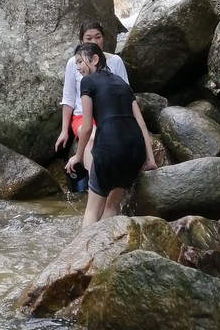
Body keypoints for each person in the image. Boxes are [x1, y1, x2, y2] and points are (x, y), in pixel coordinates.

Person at [63, 43, 156, 227]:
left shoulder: (87, 82)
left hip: (109, 150)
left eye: (80, 61)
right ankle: (106, 252)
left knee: (92, 210)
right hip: (134, 152)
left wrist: (78, 156)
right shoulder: (122, 84)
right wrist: (150, 159)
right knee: (112, 207)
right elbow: (142, 123)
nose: (78, 67)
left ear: (95, 59)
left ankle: (84, 253)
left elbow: (88, 127)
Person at [55, 20, 130, 176]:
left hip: (109, 115)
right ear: (82, 41)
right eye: (89, 38)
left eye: (98, 37)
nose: (94, 42)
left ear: (103, 38)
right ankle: (94, 184)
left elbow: (126, 94)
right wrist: (64, 131)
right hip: (82, 117)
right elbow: (68, 98)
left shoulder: (115, 61)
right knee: (92, 137)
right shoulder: (73, 63)